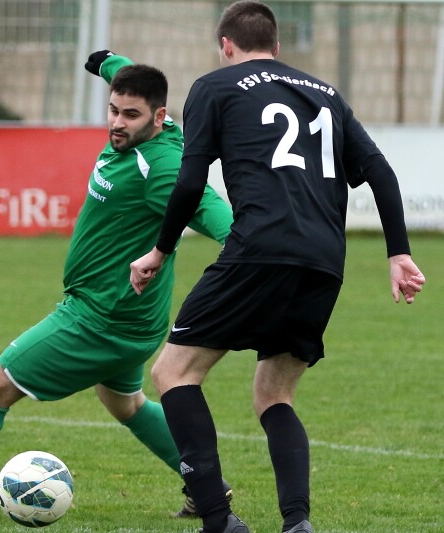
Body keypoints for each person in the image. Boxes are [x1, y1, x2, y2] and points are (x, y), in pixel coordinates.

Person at [0, 53, 234, 517]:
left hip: (99, 319)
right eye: (113, 110)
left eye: (130, 115)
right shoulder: (150, 129)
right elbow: (123, 72)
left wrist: (245, 245)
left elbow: (211, 210)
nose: (117, 123)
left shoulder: (158, 168)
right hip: (132, 320)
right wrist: (105, 61)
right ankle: (207, 486)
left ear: (159, 117)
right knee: (127, 406)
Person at [129, 2, 426, 533]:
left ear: (226, 45)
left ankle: (218, 519)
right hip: (324, 260)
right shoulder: (326, 93)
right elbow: (380, 170)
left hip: (258, 248)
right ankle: (297, 523)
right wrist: (398, 252)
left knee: (173, 372)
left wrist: (160, 250)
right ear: (277, 46)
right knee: (274, 394)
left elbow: (191, 180)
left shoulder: (214, 87)